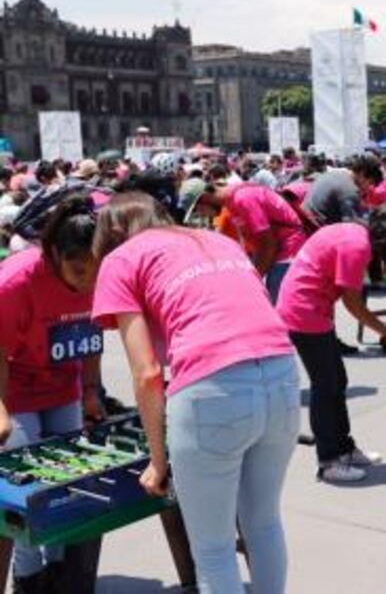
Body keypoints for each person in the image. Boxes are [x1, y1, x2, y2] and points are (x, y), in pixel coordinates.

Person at [91, 192, 299, 594]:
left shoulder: (122, 258)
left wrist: (158, 461)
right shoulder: (217, 240)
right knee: (264, 523)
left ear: (111, 233)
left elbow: (147, 373)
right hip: (282, 374)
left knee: (213, 548)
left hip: (212, 389)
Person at [0, 196, 105, 592]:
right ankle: (29, 576)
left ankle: (61, 570)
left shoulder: (96, 277)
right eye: (78, 269)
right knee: (26, 487)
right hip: (15, 386)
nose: (86, 281)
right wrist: (0, 409)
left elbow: (91, 337)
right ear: (56, 254)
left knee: (67, 481)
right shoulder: (16, 282)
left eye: (93, 270)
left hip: (63, 383)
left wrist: (91, 391)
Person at [276, 206, 386, 483]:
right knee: (326, 386)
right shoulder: (357, 246)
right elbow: (353, 304)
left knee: (337, 381)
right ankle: (328, 462)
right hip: (303, 312)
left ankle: (344, 449)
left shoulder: (358, 236)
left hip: (313, 309)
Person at [181, 178, 308, 303]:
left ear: (204, 198)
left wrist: (255, 277)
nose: (201, 214)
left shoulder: (243, 199)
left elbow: (268, 244)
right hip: (277, 251)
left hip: (288, 250)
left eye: (197, 209)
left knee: (276, 302)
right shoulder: (231, 201)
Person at [304, 156, 381, 225]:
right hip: (314, 226)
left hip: (305, 215)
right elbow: (350, 224)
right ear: (362, 174)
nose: (369, 188)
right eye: (370, 183)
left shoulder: (337, 173)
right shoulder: (350, 190)